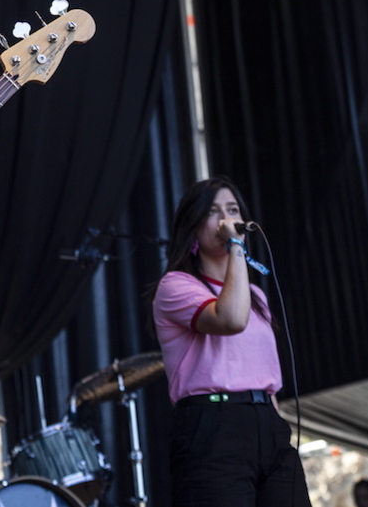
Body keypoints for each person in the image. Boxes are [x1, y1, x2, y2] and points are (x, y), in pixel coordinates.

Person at [151, 176, 311, 506]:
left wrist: (275, 426)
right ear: (193, 227)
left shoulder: (254, 296)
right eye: (213, 212)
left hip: (267, 426)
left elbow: (265, 375)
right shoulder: (175, 286)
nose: (226, 220)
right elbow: (230, 319)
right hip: (213, 429)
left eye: (233, 209)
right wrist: (236, 246)